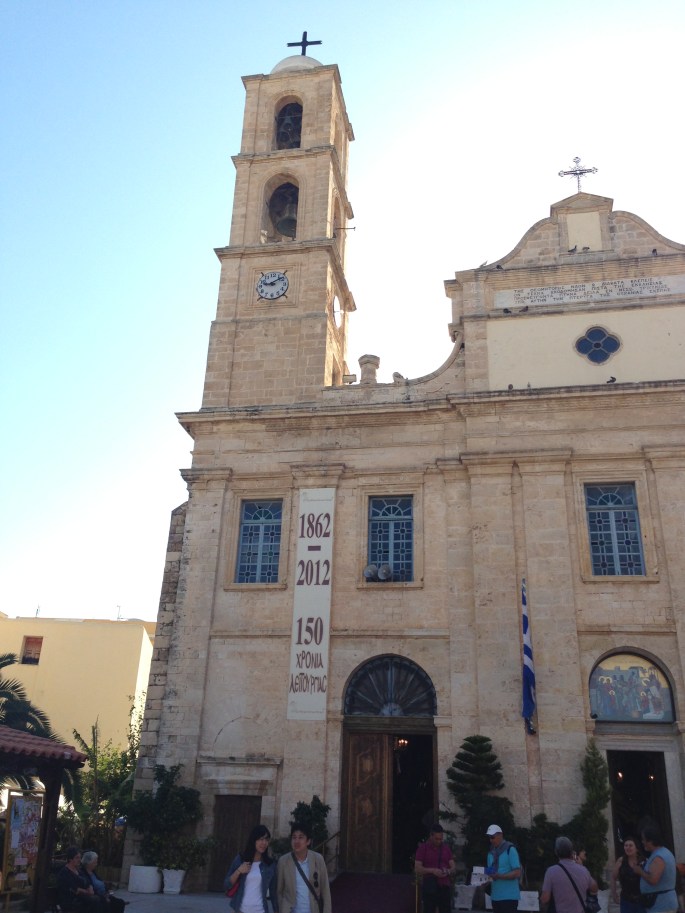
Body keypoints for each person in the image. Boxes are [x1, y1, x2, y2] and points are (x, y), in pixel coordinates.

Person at [277, 821, 331, 913]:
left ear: (308, 841)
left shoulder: (318, 859)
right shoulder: (283, 861)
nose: (297, 841)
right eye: (294, 837)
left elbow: (325, 891)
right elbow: (279, 891)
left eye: (301, 837)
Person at [224, 824, 279, 913]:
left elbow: (273, 894)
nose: (264, 843)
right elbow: (226, 885)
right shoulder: (240, 859)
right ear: (254, 840)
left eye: (266, 840)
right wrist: (238, 871)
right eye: (261, 839)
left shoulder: (270, 865)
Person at [628, 824, 678, 913]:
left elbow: (653, 879)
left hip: (662, 906)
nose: (642, 842)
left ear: (650, 840)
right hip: (659, 905)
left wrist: (639, 871)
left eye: (643, 839)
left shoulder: (659, 857)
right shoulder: (660, 853)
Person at [541, 836, 598, 913]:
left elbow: (545, 899)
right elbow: (594, 888)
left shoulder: (551, 872)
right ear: (572, 852)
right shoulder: (583, 870)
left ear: (556, 852)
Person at [414, 823, 456, 913]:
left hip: (444, 886)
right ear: (431, 836)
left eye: (441, 839)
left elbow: (453, 867)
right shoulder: (423, 848)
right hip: (430, 886)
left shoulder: (446, 849)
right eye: (437, 839)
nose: (439, 841)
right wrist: (432, 871)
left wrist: (448, 871)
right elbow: (417, 868)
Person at [485, 824, 521, 913]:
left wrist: (500, 876)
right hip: (495, 896)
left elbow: (517, 872)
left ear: (500, 835)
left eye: (493, 837)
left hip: (509, 896)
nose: (491, 840)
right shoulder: (490, 853)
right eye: (489, 837)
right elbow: (491, 873)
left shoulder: (510, 849)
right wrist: (482, 880)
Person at [56, 847, 100, 912]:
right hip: (71, 901)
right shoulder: (64, 873)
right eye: (77, 858)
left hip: (81, 898)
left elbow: (87, 881)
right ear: (70, 859)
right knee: (95, 900)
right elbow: (74, 889)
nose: (80, 860)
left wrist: (90, 887)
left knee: (102, 899)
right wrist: (87, 892)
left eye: (80, 857)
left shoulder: (79, 871)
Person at [611, 836, 645, 913]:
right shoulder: (621, 861)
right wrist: (614, 894)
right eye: (626, 845)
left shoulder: (643, 861)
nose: (628, 848)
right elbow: (613, 877)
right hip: (626, 900)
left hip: (641, 900)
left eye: (630, 845)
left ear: (636, 848)